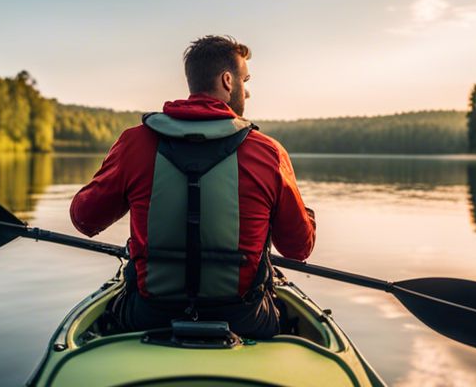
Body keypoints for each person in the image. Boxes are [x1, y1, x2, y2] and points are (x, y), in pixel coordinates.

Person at [70, 35, 316, 338]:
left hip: (148, 316)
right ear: (227, 80)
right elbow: (298, 248)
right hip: (244, 320)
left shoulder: (134, 143)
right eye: (245, 80)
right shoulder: (268, 152)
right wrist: (303, 211)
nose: (247, 91)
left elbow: (84, 219)